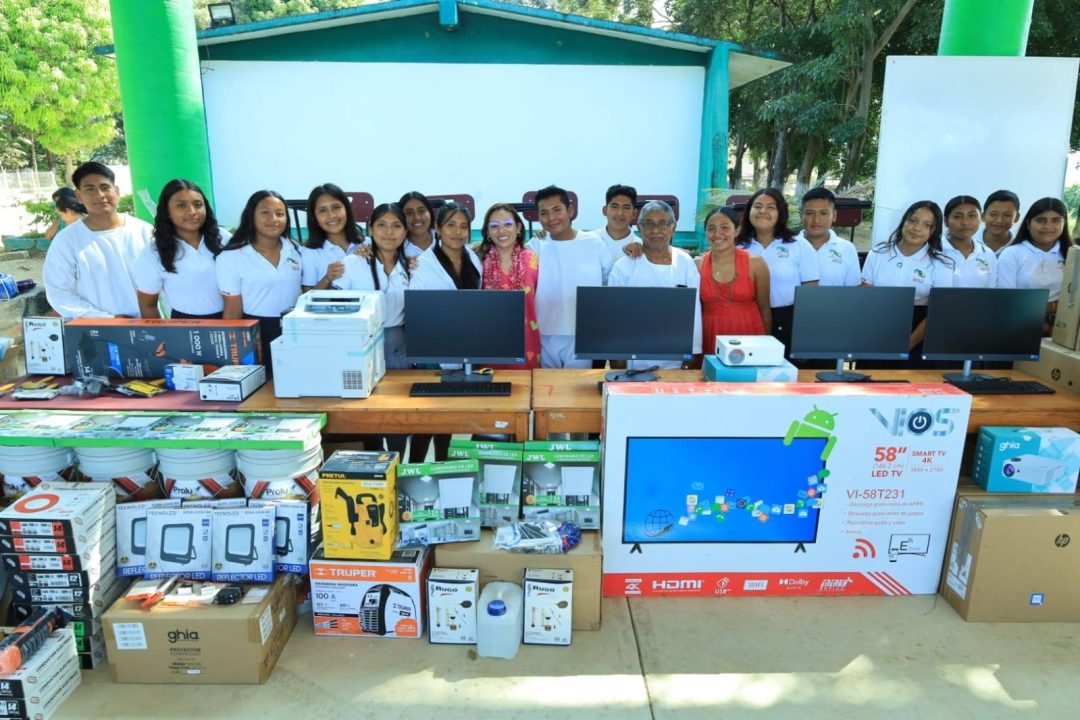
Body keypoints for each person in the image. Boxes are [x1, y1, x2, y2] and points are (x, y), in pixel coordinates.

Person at [334, 203, 412, 456]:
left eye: (396, 226)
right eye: (382, 225)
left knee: (397, 410)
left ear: (405, 231)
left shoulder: (411, 265)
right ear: (370, 228)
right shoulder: (353, 263)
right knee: (364, 406)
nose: (389, 232)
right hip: (360, 344)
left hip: (398, 343)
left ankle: (397, 462)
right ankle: (372, 464)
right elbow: (334, 305)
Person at [407, 202, 482, 462]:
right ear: (438, 229)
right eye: (450, 225)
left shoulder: (473, 258)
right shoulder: (422, 264)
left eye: (463, 226)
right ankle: (415, 469)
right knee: (426, 419)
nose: (457, 232)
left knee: (448, 417)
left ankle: (442, 466)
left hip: (465, 348)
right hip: (433, 350)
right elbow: (417, 311)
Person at [43, 161, 154, 319]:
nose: (100, 195)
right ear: (79, 196)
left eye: (105, 187)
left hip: (151, 323)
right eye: (90, 189)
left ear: (117, 191)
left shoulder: (144, 231)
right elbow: (59, 293)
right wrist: (107, 319)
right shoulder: (66, 241)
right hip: (100, 328)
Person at [608, 200, 702, 369]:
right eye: (649, 224)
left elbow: (694, 314)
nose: (656, 230)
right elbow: (614, 320)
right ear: (639, 227)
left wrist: (692, 357)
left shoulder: (685, 263)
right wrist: (618, 364)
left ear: (673, 227)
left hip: (675, 359)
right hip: (634, 362)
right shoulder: (624, 266)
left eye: (662, 223)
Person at [527, 185, 613, 368]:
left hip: (582, 332)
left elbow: (608, 283)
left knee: (577, 385)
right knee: (546, 384)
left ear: (570, 211)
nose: (551, 218)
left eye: (557, 210)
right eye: (544, 213)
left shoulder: (593, 243)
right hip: (545, 332)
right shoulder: (535, 245)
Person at [216, 190, 302, 366]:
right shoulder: (231, 257)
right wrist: (233, 354)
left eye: (280, 214)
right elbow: (232, 311)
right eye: (265, 212)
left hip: (295, 330)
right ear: (251, 216)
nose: (274, 219)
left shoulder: (296, 249)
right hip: (255, 333)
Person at [861, 200, 954, 357]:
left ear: (933, 231)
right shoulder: (877, 253)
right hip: (876, 327)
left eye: (927, 225)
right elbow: (865, 296)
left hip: (919, 334)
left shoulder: (941, 263)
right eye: (912, 220)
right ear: (903, 221)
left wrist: (908, 344)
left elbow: (938, 311)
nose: (917, 228)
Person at [735, 188, 819, 357]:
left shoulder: (798, 245)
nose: (763, 211)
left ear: (781, 213)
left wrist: (805, 334)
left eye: (771, 207)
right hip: (745, 319)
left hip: (788, 321)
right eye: (757, 206)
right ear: (749, 211)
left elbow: (810, 293)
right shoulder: (737, 246)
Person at [134, 179, 229, 319]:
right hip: (184, 324)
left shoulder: (224, 239)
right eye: (181, 205)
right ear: (167, 211)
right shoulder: (154, 252)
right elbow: (148, 305)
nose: (192, 211)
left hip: (233, 318)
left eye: (198, 205)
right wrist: (160, 332)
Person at [696, 206, 771, 351]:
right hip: (710, 336)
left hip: (749, 337)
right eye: (711, 228)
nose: (717, 234)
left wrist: (766, 347)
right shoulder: (698, 265)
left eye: (724, 227)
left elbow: (765, 310)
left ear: (737, 230)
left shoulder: (755, 263)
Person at [997, 197, 1075, 334]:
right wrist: (1044, 325)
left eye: (1056, 220)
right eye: (1040, 220)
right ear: (1028, 224)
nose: (1048, 226)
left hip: (1065, 325)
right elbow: (1007, 300)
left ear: (1064, 224)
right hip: (1020, 325)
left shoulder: (1073, 254)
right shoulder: (1012, 253)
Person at [478, 203, 540, 369]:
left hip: (526, 343)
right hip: (488, 343)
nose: (501, 230)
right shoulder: (478, 261)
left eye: (507, 224)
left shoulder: (533, 260)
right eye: (494, 226)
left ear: (518, 228)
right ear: (487, 232)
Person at [301, 183, 365, 291]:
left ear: (347, 210)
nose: (331, 215)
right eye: (322, 210)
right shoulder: (310, 252)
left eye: (336, 207)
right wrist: (327, 278)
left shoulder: (367, 244)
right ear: (314, 217)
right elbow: (307, 295)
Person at [797, 187, 859, 287]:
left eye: (823, 213)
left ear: (834, 215)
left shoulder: (847, 249)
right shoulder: (788, 246)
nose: (816, 220)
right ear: (801, 215)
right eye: (810, 213)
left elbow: (852, 291)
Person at [941, 195, 997, 288]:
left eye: (971, 216)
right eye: (957, 217)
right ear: (946, 221)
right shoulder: (934, 250)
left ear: (980, 218)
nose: (965, 222)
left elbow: (991, 292)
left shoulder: (987, 254)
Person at [598, 184, 643, 262]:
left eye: (626, 207)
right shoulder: (589, 240)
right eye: (614, 206)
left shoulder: (642, 248)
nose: (620, 213)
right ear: (605, 211)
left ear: (634, 214)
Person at [977, 189, 1021, 254]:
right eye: (993, 214)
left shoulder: (1021, 249)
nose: (999, 220)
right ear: (983, 216)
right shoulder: (967, 242)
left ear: (1016, 218)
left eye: (1007, 215)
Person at [399, 191, 435, 258]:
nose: (417, 218)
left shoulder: (444, 239)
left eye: (421, 211)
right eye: (409, 213)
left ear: (430, 212)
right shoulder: (396, 247)